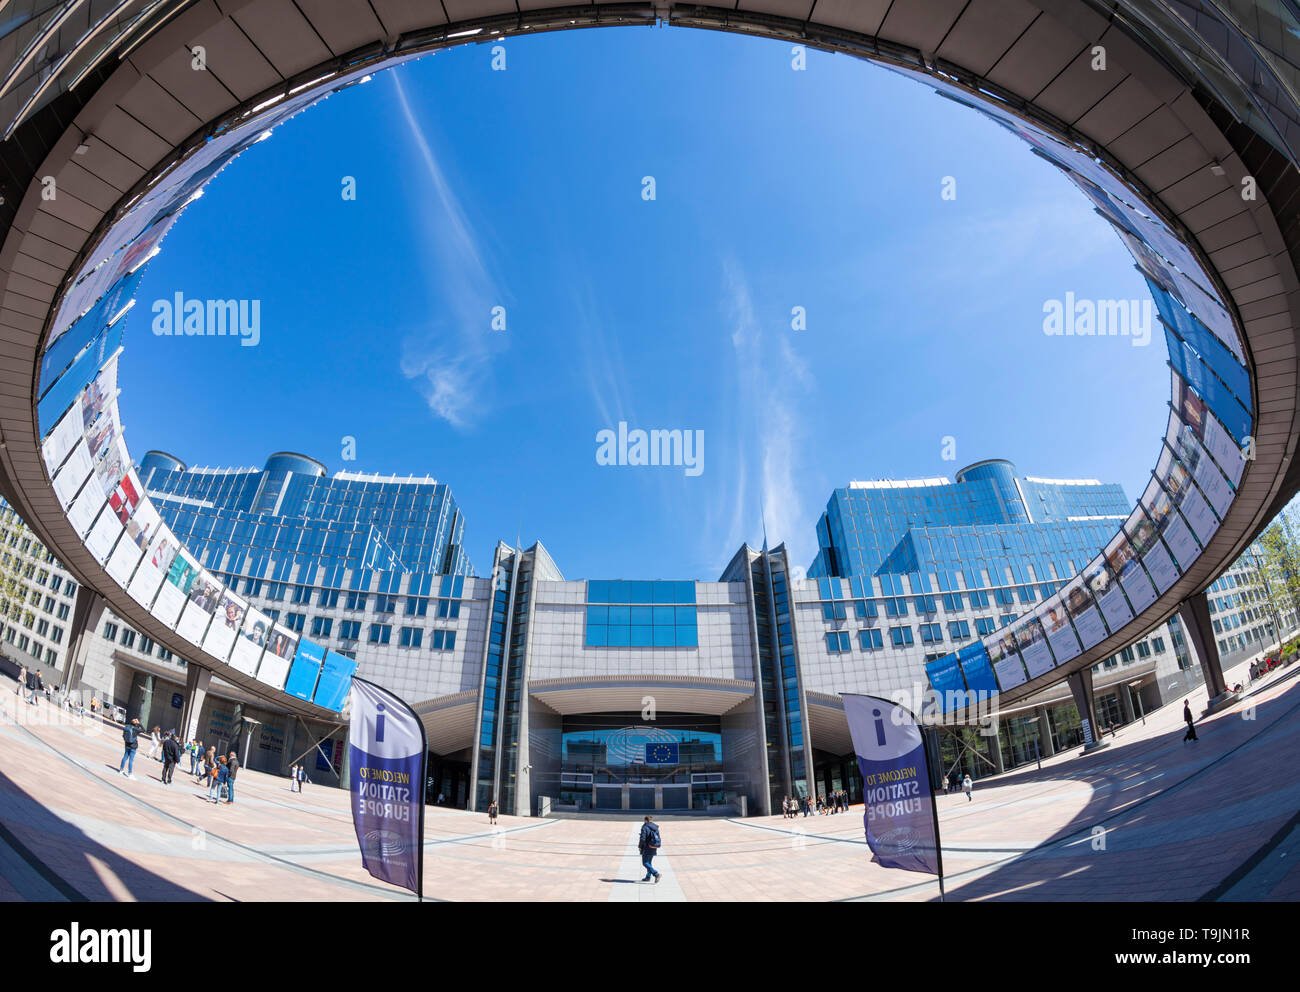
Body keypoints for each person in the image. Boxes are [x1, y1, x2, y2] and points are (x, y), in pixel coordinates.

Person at [638, 815, 662, 884]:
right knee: (649, 862)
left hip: (646, 847)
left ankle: (656, 874)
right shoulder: (655, 827)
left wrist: (640, 846)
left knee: (645, 863)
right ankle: (648, 877)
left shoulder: (645, 827)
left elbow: (643, 839)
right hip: (653, 846)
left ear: (645, 820)